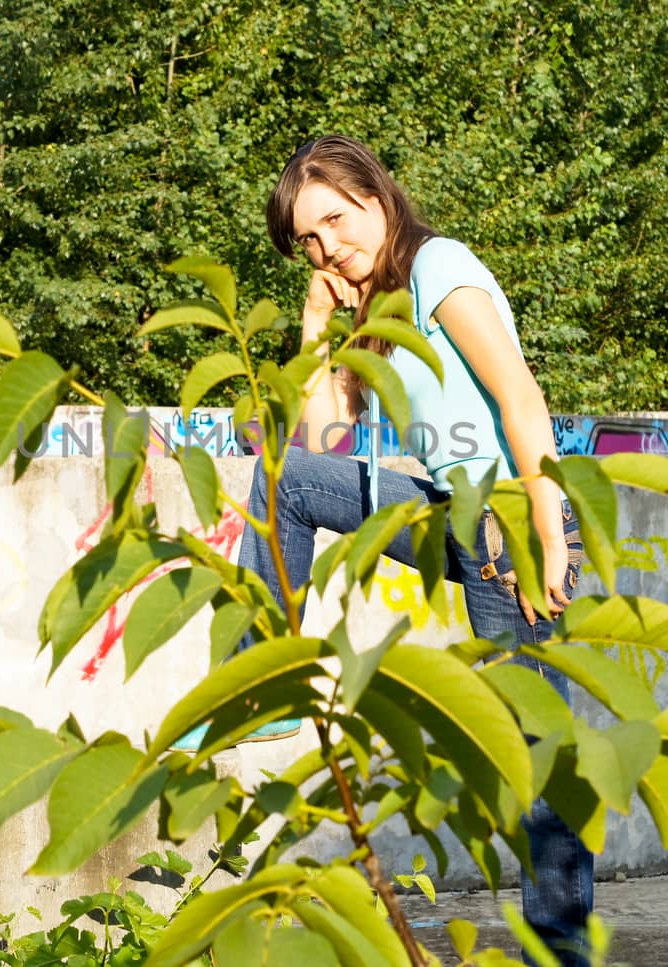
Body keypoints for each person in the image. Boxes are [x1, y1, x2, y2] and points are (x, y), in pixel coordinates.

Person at [241, 134, 592, 965]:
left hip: (507, 523)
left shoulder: (438, 266)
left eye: (336, 218)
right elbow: (321, 438)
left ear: (375, 194)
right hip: (449, 514)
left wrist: (546, 515)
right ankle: (276, 679)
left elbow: (516, 389)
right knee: (285, 479)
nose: (330, 246)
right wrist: (316, 321)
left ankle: (564, 954)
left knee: (540, 767)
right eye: (310, 240)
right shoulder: (375, 307)